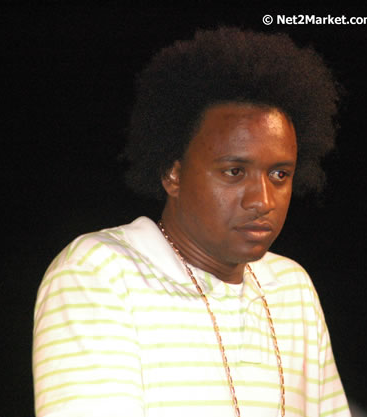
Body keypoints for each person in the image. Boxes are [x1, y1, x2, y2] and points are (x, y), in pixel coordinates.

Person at [33, 27, 350, 417]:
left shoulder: (292, 288)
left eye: (279, 175)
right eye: (234, 172)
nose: (262, 200)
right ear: (173, 174)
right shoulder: (99, 272)